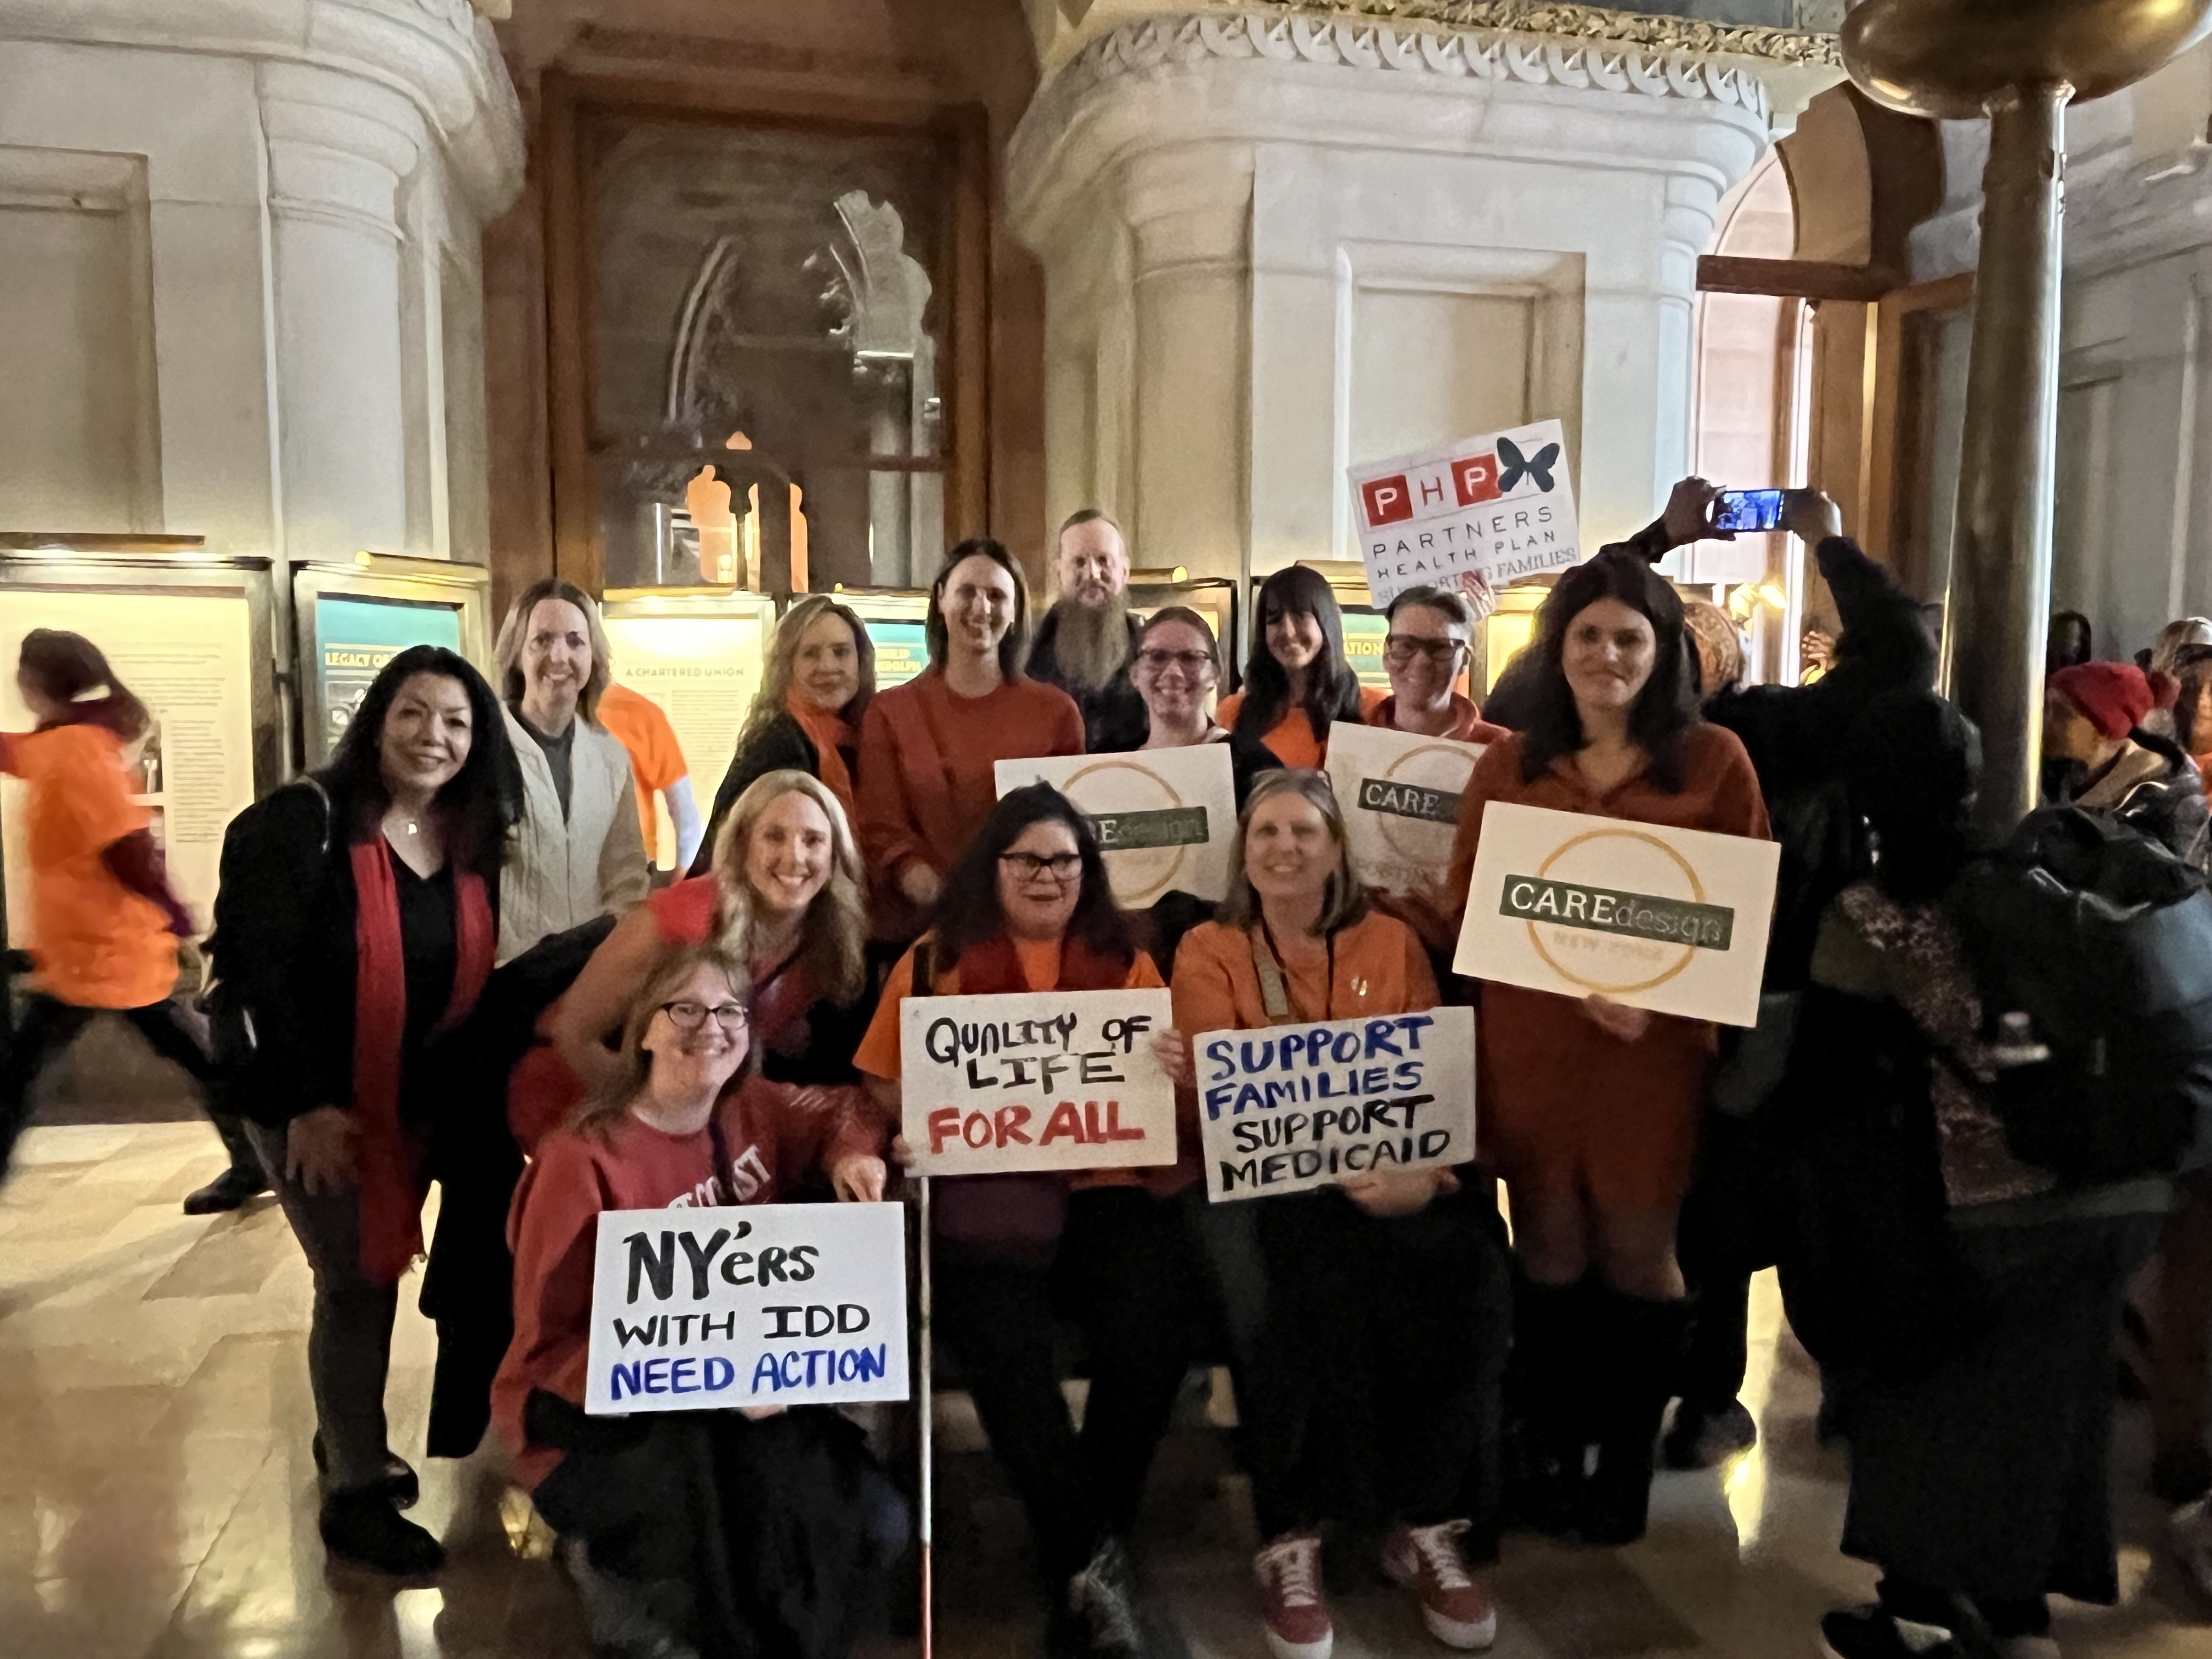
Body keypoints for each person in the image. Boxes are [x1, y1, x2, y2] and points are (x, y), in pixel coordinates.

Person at [1787, 690, 2173, 1659]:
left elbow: (1830, 1074)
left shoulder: (1872, 909)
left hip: (1971, 1206)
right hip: (2109, 1190)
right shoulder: (2040, 870)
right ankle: (2018, 1618)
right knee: (2050, 1416)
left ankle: (1918, 1614)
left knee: (1926, 1417)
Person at [1444, 549, 1770, 1545]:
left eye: (1630, 636)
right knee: (1546, 1242)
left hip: (1649, 1056)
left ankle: (1622, 1463)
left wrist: (1666, 1004)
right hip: (1532, 1044)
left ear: (1663, 649)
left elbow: (1742, 916)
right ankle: (1555, 1445)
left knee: (1638, 1251)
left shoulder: (1715, 761)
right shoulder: (1509, 762)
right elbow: (1468, 897)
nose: (1607, 654)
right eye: (1587, 634)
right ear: (1558, 648)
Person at [855, 783, 1205, 1659]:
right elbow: (883, 1080)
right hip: (991, 1191)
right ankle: (1093, 1561)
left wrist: (1173, 1065)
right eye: (1028, 859)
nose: (1047, 875)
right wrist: (919, 1117)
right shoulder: (936, 960)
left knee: (1149, 1335)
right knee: (1005, 1354)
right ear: (994, 867)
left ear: (1088, 872)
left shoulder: (1129, 960)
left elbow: (1171, 1094)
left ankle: (1081, 1558)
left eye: (1065, 860)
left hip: (1107, 1186)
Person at [1174, 771, 1506, 1659]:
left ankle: (1425, 1514)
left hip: (1387, 1175)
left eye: (1303, 832)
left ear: (1335, 846)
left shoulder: (1392, 941)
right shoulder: (1210, 947)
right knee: (1299, 1274)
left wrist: (1426, 1177)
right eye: (1266, 833)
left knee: (1471, 1261)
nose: (1284, 848)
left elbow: (1429, 1082)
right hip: (1267, 1184)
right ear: (1243, 852)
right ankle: (1294, 1532)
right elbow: (1222, 1092)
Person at [207, 646, 523, 1575]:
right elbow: (249, 977)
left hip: (413, 1101)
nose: (435, 736)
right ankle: (354, 1489)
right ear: (377, 719)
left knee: (365, 1277)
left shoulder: (466, 832)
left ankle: (343, 1434)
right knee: (354, 1279)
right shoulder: (299, 822)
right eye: (414, 714)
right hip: (313, 1101)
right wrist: (303, 1104)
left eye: (458, 722)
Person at [496, 944, 900, 1659]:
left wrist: (852, 1155)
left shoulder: (754, 1109)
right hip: (598, 1416)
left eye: (728, 1011)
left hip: (738, 1402)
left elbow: (850, 1107)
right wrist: (712, 1381)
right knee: (712, 1552)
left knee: (873, 1523)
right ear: (643, 1030)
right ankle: (615, 1587)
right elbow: (547, 1348)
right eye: (684, 1009)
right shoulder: (580, 1162)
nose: (709, 1026)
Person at [0, 630, 263, 1212]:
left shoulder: (77, 753)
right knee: (188, 1055)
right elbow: (14, 754)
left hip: (108, 951)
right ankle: (250, 1158)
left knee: (15, 1081)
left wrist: (174, 916)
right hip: (82, 953)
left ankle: (254, 1157)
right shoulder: (66, 743)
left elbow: (129, 849)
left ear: (37, 683)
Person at [510, 770, 872, 1148]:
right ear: (743, 843)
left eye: (813, 840)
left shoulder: (825, 937)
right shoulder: (679, 920)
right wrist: (652, 1127)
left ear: (835, 856)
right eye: (774, 836)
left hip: (692, 1121)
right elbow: (572, 1032)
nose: (794, 856)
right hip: (576, 1105)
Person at [856, 538, 1084, 942]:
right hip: (925, 934)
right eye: (967, 592)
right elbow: (883, 832)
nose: (982, 608)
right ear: (941, 599)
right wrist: (948, 903)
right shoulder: (890, 712)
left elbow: (1068, 832)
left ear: (1014, 612)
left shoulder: (1057, 713)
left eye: (997, 595)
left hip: (1034, 932)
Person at [493, 578, 651, 963]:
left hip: (588, 974)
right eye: (542, 640)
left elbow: (626, 874)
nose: (559, 656)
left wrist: (608, 951)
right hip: (505, 977)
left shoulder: (611, 759)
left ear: (593, 657)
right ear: (517, 654)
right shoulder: (481, 751)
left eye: (576, 641)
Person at [695, 595, 876, 873]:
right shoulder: (780, 743)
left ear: (860, 661)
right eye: (810, 654)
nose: (828, 667)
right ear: (787, 667)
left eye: (841, 652)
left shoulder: (853, 738)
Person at [2042, 660, 2209, 870]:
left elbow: (2179, 892)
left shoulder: (2174, 806)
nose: (2045, 721)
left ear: (2102, 731)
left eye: (2061, 713)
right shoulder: (2052, 774)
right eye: (2046, 708)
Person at [1217, 566, 1385, 769]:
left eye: (1300, 615)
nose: (1288, 631)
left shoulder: (1376, 710)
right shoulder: (1232, 712)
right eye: (1274, 619)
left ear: (1326, 622)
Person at [1026, 508, 1149, 754]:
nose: (1092, 574)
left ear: (1124, 572)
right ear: (1059, 573)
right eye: (1079, 562)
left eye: (1104, 560)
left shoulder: (1150, 650)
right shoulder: (1026, 649)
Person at [1372, 586, 1509, 744]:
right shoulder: (1352, 742)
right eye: (1406, 646)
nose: (1421, 662)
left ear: (1464, 660)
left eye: (1440, 647)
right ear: (1386, 653)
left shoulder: (1500, 749)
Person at [596, 681, 701, 873]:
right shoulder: (528, 712)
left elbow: (684, 808)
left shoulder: (637, 712)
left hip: (626, 873)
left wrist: (682, 877)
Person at [2046, 610, 2094, 676]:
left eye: (2068, 636)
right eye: (2060, 635)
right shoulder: (2041, 670)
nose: (2063, 641)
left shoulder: (2085, 678)